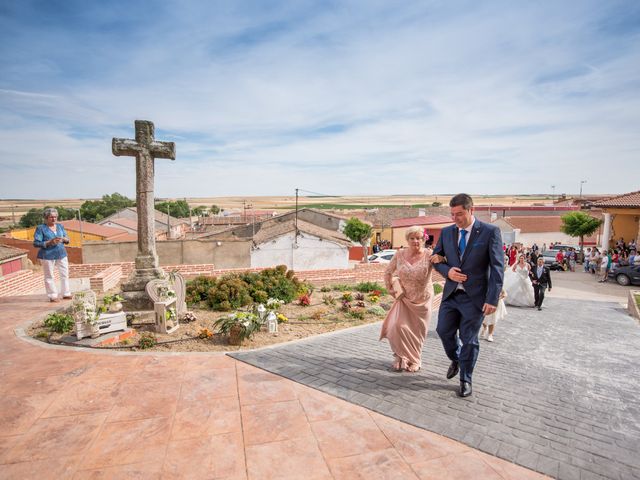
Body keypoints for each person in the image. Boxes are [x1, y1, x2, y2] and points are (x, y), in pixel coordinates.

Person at [432, 193, 504, 398]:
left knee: (469, 339)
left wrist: (492, 298)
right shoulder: (446, 233)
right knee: (443, 330)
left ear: (472, 210)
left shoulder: (490, 232)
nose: (455, 218)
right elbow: (436, 259)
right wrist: (448, 272)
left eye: (460, 214)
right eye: (452, 214)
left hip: (475, 298)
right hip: (451, 295)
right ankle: (456, 358)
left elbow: (497, 267)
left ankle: (465, 379)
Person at [380, 226, 434, 373]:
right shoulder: (399, 254)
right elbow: (388, 272)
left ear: (423, 240)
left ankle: (415, 359)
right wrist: (390, 289)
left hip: (423, 299)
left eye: (418, 238)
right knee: (397, 326)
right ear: (407, 240)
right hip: (404, 298)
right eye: (412, 238)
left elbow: (445, 267)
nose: (415, 241)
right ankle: (399, 355)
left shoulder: (430, 254)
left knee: (417, 331)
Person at [33, 208, 71, 302]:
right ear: (46, 218)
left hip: (61, 253)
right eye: (51, 217)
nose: (54, 219)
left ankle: (66, 293)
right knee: (49, 276)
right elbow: (36, 243)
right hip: (47, 255)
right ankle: (52, 295)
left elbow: (67, 238)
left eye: (55, 217)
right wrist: (50, 242)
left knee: (64, 274)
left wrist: (64, 239)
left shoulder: (60, 226)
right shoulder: (41, 228)